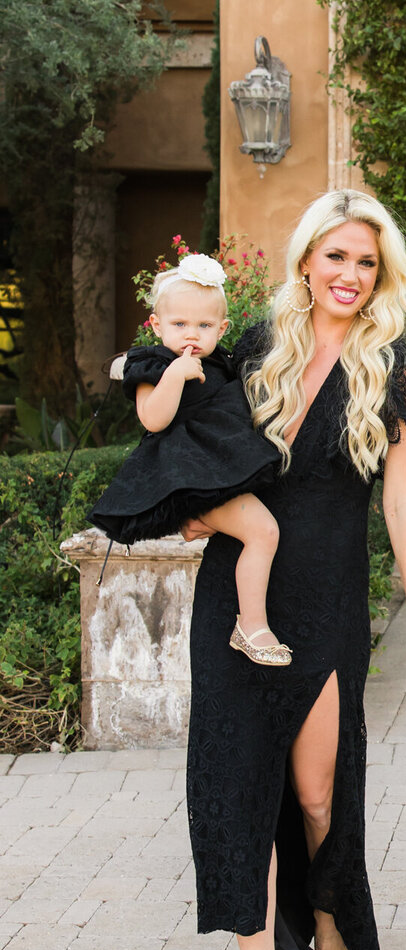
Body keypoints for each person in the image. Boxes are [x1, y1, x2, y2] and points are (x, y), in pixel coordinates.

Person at [182, 189, 406, 950]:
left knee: (313, 791)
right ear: (306, 260)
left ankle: (331, 915)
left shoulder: (400, 369)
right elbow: (181, 439)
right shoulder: (251, 354)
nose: (348, 275)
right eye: (335, 257)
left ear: (383, 276)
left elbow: (403, 502)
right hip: (238, 594)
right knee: (237, 788)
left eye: (366, 263)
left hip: (330, 595)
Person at [91, 253, 290, 664]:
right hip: (185, 475)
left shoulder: (222, 363)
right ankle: (252, 626)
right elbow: (153, 418)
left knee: (264, 528)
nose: (191, 335)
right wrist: (175, 375)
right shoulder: (153, 363)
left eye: (203, 326)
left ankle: (198, 521)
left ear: (222, 328)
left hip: (216, 471)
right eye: (179, 324)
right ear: (157, 325)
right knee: (263, 531)